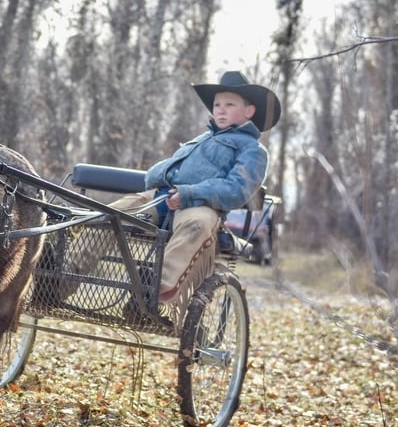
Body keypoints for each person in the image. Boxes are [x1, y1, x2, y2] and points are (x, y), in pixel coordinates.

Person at [40, 71, 280, 329]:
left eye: (230, 104)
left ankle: (150, 296)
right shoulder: (200, 140)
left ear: (249, 110)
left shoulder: (253, 150)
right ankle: (58, 282)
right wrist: (161, 176)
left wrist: (189, 193)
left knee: (197, 225)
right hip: (161, 197)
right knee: (108, 215)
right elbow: (161, 172)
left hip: (202, 206)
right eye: (217, 104)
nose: (220, 110)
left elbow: (236, 189)